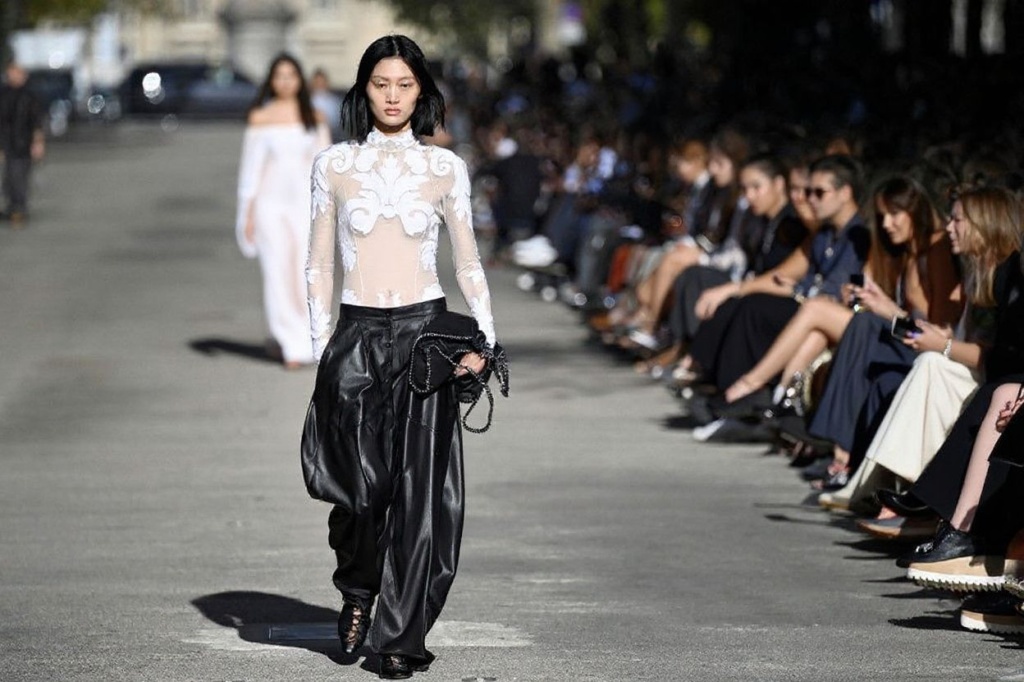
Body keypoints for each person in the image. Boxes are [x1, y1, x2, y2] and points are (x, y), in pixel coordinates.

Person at [300, 35, 497, 680]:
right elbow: (318, 261)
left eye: (404, 85)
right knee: (359, 490)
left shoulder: (445, 169)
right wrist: (318, 345)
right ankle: (358, 589)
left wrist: (485, 342)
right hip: (355, 336)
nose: (392, 96)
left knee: (419, 497)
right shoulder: (333, 165)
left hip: (424, 337)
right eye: (381, 84)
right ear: (364, 90)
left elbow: (466, 259)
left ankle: (397, 639)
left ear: (422, 91)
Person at [235, 54, 331, 368]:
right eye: (279, 75)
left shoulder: (314, 117)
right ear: (271, 81)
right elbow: (251, 171)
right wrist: (246, 214)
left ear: (300, 79)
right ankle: (290, 343)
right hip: (269, 205)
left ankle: (309, 337)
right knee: (276, 271)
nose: (286, 81)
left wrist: (330, 209)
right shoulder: (260, 118)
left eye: (291, 75)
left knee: (304, 270)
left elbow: (326, 166)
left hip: (304, 204)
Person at [0, 62, 45, 227]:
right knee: (8, 178)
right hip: (6, 142)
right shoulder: (3, 94)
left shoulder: (30, 96)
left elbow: (37, 122)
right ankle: (12, 206)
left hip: (23, 143)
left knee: (19, 176)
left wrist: (38, 143)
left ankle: (19, 208)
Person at [310, 68, 342, 140]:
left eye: (322, 82)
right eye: (317, 82)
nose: (320, 85)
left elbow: (337, 122)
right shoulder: (307, 101)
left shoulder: (334, 102)